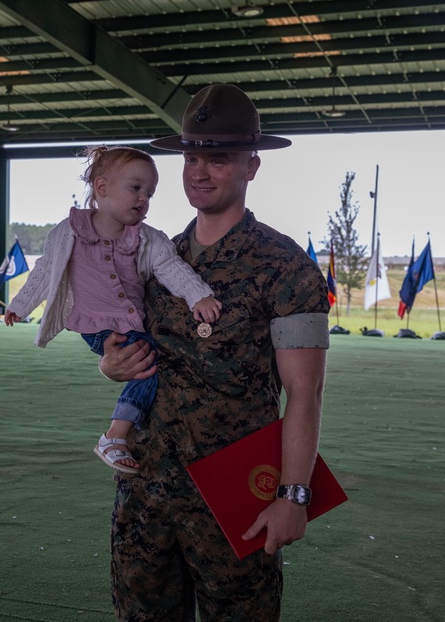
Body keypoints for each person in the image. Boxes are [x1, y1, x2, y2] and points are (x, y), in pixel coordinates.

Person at [98, 84, 331, 620]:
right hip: (146, 488)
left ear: (252, 166)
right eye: (191, 156)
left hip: (235, 495)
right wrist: (112, 364)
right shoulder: (152, 255)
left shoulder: (285, 267)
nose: (199, 172)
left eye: (218, 159)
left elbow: (305, 391)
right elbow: (123, 349)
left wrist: (294, 495)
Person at [3, 145, 222, 474]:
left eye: (150, 193)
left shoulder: (147, 239)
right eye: (135, 188)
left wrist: (199, 296)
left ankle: (123, 430)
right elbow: (45, 271)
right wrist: (20, 306)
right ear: (102, 187)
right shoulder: (68, 233)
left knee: (148, 360)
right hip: (95, 325)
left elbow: (172, 267)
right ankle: (115, 435)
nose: (143, 199)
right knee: (149, 360)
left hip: (130, 322)